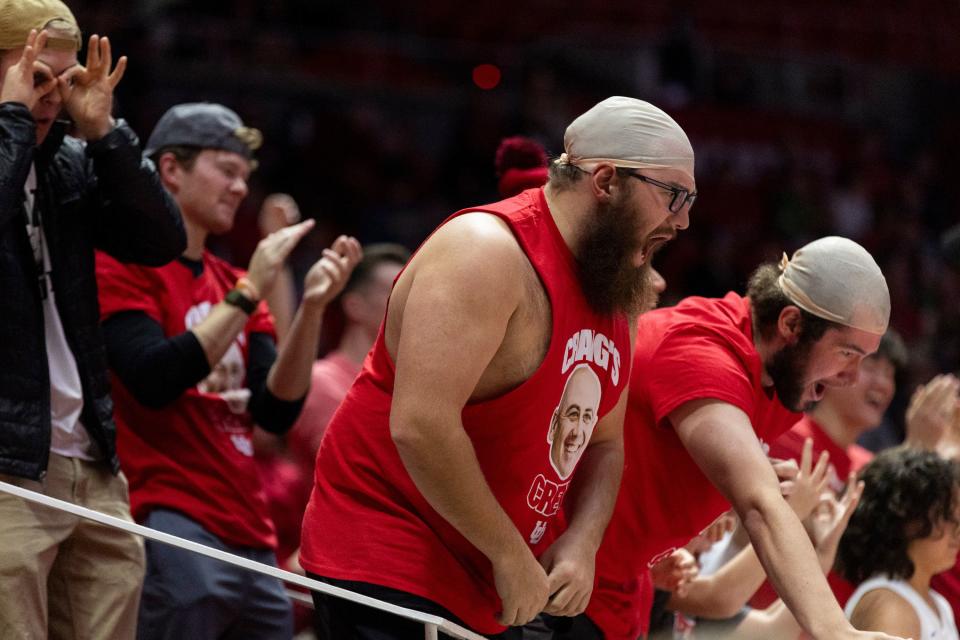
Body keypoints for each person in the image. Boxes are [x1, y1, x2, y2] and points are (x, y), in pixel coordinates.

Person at [299, 95, 696, 638]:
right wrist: (509, 554)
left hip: (490, 576)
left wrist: (582, 542)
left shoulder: (615, 287)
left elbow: (605, 443)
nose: (684, 221)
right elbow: (421, 427)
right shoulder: (484, 251)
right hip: (392, 560)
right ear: (605, 181)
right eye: (673, 196)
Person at [95, 102, 361, 639]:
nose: (241, 189)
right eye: (227, 170)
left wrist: (311, 308)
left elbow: (274, 412)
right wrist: (248, 290)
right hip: (166, 509)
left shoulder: (236, 280)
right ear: (170, 169)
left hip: (249, 523)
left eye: (246, 176)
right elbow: (153, 379)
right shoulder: (121, 263)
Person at [579, 237, 906, 640]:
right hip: (561, 591)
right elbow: (759, 505)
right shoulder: (702, 353)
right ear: (790, 324)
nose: (852, 377)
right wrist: (838, 632)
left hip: (623, 594)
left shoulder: (780, 380)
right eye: (846, 353)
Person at [0, 2, 185, 637]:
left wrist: (107, 134)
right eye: (36, 77)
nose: (53, 97)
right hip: (7, 466)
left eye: (65, 78)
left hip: (94, 464)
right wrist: (12, 122)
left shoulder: (69, 161)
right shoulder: (17, 143)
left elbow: (162, 239)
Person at [838, 446, 960, 640]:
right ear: (905, 519)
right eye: (945, 514)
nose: (956, 528)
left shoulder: (938, 604)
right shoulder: (889, 605)